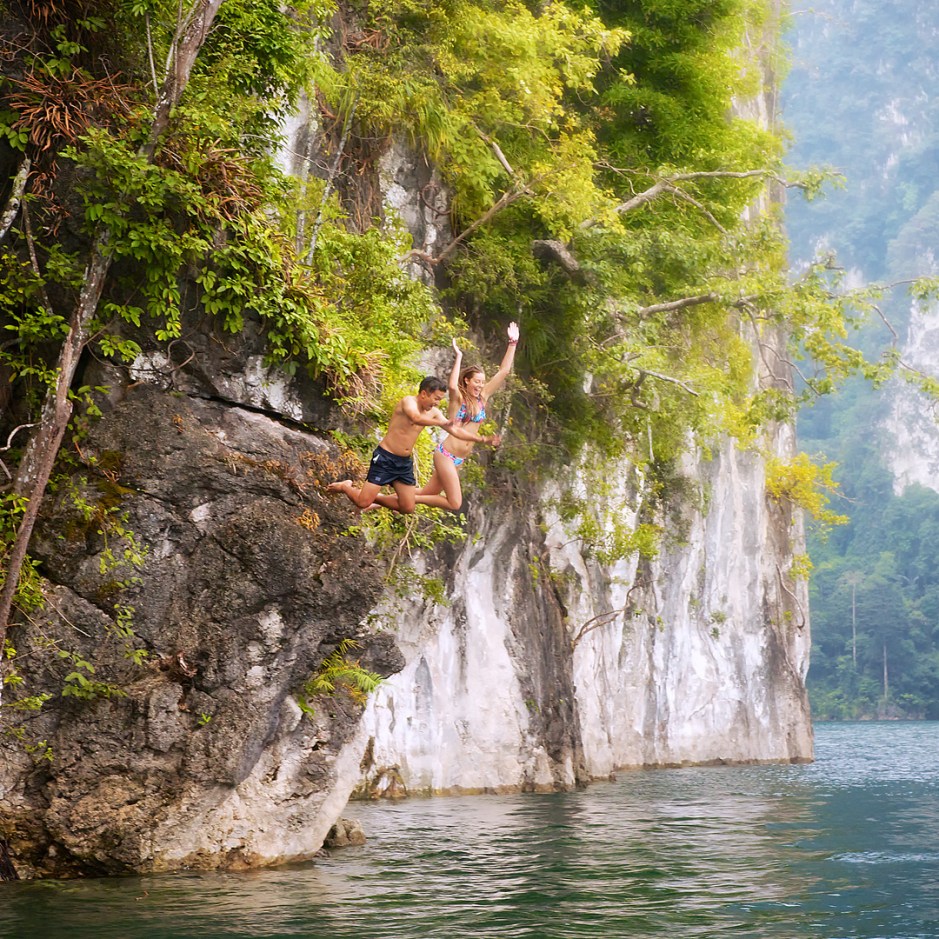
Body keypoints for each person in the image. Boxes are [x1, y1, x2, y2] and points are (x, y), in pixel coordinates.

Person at [370, 322, 519, 513]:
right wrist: (459, 357)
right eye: (477, 382)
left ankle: (375, 500)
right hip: (446, 455)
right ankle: (379, 498)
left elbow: (504, 371)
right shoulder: (459, 400)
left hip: (459, 459)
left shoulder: (483, 398)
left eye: (482, 382)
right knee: (454, 503)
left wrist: (513, 343)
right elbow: (452, 386)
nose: (481, 385)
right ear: (467, 380)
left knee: (424, 492)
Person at [327, 376, 499, 514]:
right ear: (424, 394)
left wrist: (482, 439)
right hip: (385, 458)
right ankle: (345, 486)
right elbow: (415, 418)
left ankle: (376, 498)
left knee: (407, 508)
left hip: (403, 463)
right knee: (362, 502)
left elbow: (455, 431)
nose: (436, 404)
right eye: (435, 399)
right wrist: (441, 423)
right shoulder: (408, 402)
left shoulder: (434, 412)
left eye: (440, 400)